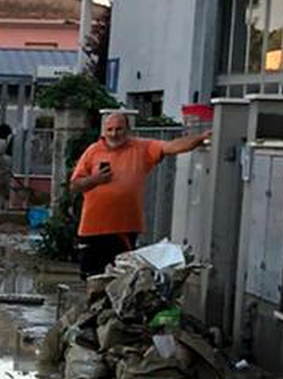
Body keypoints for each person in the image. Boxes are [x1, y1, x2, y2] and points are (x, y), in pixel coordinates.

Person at [68, 107, 211, 279]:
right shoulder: (93, 151)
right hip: (93, 228)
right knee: (92, 278)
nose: (114, 134)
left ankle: (117, 306)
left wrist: (200, 138)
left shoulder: (141, 148)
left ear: (127, 130)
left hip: (124, 228)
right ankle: (93, 306)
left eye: (119, 129)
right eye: (110, 130)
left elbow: (171, 147)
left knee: (123, 279)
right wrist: (95, 180)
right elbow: (75, 186)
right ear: (104, 131)